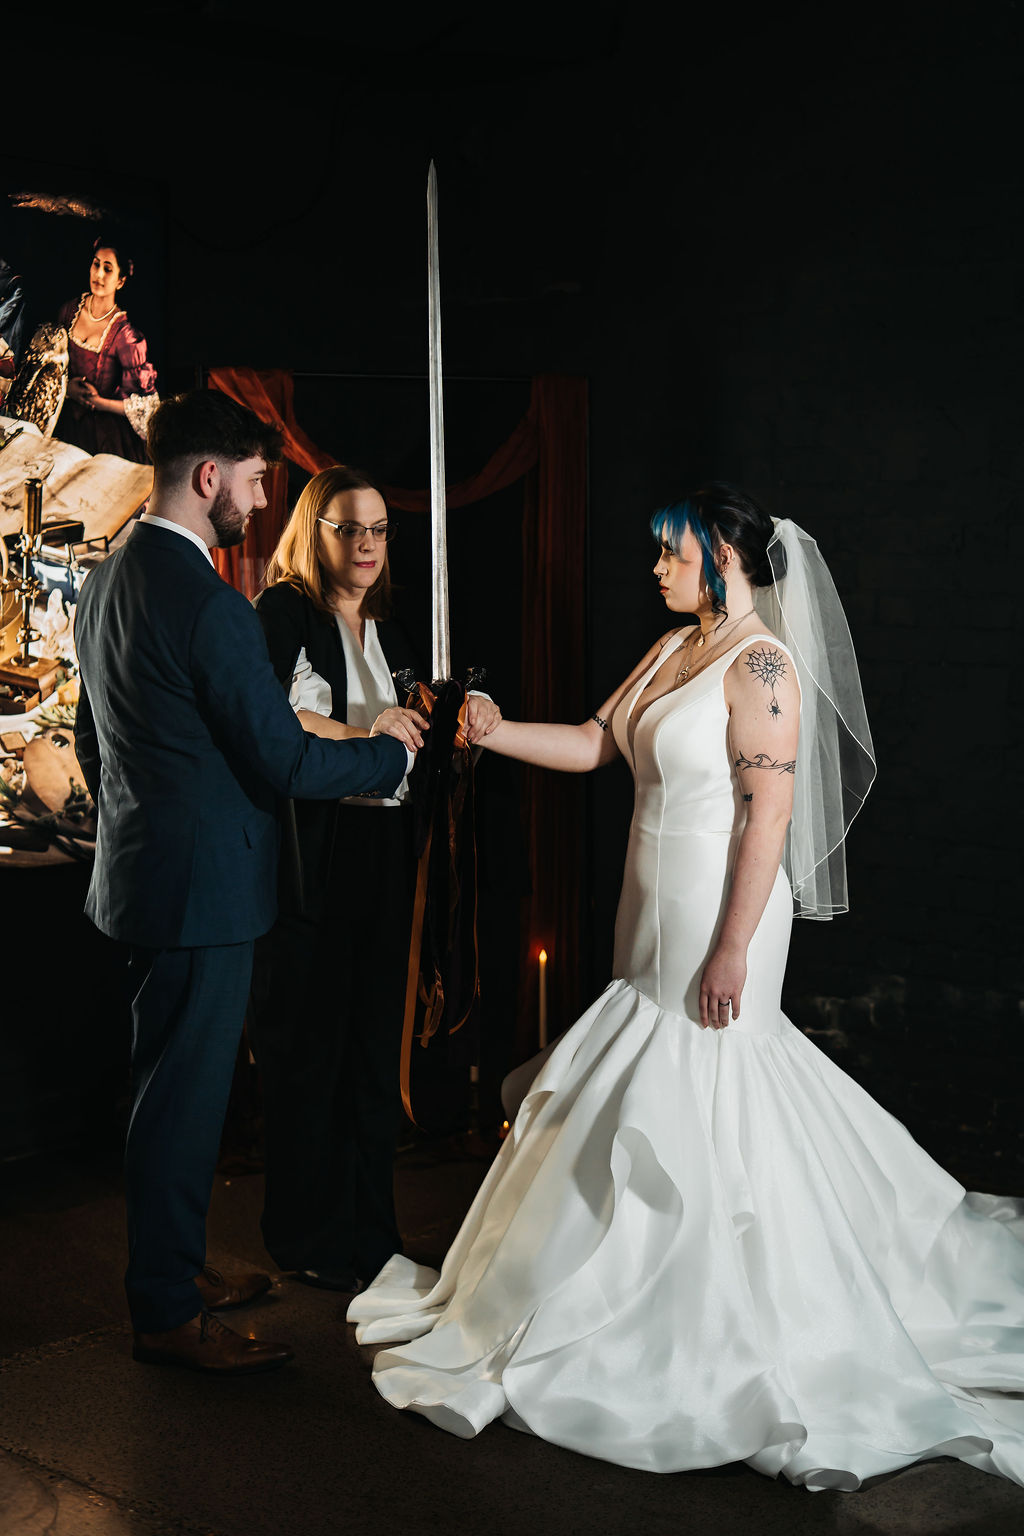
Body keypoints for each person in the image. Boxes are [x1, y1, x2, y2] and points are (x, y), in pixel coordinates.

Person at [349, 484, 1024, 1490]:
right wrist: (487, 731)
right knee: (649, 1078)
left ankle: (711, 1324)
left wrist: (730, 950)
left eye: (670, 553)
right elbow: (590, 744)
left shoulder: (760, 664)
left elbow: (767, 819)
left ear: (720, 557)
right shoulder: (675, 649)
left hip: (723, 911)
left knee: (714, 1089)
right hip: (652, 906)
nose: (655, 568)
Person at [73, 392, 424, 1377]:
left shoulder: (104, 583)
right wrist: (390, 756)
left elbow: (91, 743)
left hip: (144, 880)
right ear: (208, 477)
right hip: (206, 893)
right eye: (258, 478)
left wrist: (138, 831)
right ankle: (165, 1317)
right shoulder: (215, 607)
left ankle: (174, 1273)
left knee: (164, 1095)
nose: (265, 498)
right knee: (184, 1103)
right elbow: (288, 764)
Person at [249, 465, 500, 1293]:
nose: (365, 545)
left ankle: (371, 1232)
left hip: (382, 850)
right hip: (314, 853)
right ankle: (306, 1234)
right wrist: (370, 727)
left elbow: (408, 732)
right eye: (347, 528)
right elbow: (270, 714)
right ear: (312, 531)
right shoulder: (284, 609)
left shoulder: (387, 624)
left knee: (369, 1048)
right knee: (309, 1047)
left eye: (379, 530)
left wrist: (453, 715)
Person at [56, 235, 158, 462]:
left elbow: (145, 406)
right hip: (66, 426)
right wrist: (66, 388)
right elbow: (49, 366)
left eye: (108, 269)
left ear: (120, 281)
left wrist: (98, 403)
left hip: (106, 438)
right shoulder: (69, 311)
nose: (99, 274)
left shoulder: (126, 336)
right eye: (96, 264)